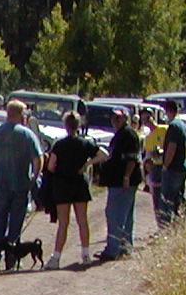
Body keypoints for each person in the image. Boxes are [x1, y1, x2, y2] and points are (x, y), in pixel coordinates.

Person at [0, 99, 44, 274]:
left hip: (1, 184)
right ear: (19, 114)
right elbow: (38, 158)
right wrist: (35, 177)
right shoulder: (26, 134)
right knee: (15, 223)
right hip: (20, 185)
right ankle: (11, 258)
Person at [41, 111, 100, 269]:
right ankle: (86, 254)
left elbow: (51, 166)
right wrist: (86, 165)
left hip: (62, 185)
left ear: (65, 125)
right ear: (78, 125)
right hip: (79, 183)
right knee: (82, 221)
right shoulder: (84, 143)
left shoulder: (59, 145)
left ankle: (56, 257)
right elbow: (104, 154)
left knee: (63, 223)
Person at [95, 107, 142, 261]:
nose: (115, 121)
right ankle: (124, 247)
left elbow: (132, 158)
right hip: (119, 181)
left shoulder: (128, 134)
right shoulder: (121, 134)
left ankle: (113, 250)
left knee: (115, 214)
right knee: (125, 215)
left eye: (118, 118)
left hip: (123, 181)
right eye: (113, 118)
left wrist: (126, 177)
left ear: (125, 119)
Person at [158, 111, 186, 225]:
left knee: (166, 199)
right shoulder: (182, 125)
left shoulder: (173, 126)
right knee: (179, 197)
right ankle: (180, 222)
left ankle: (166, 226)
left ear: (168, 112)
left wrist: (165, 165)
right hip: (182, 166)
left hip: (173, 168)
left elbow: (172, 147)